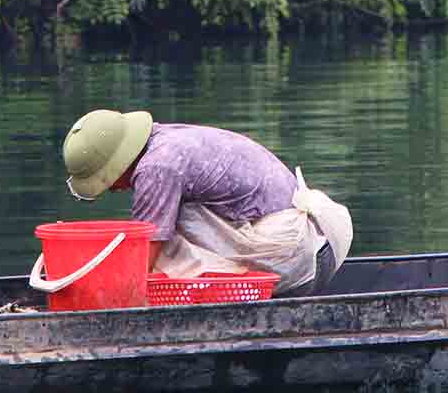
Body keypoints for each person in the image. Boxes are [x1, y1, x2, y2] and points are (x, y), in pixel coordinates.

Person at [62, 111, 353, 295]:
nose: (111, 189)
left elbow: (143, 259)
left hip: (297, 260)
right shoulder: (168, 139)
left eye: (105, 180)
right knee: (155, 224)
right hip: (319, 247)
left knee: (155, 234)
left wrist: (102, 292)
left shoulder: (157, 167)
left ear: (117, 163)